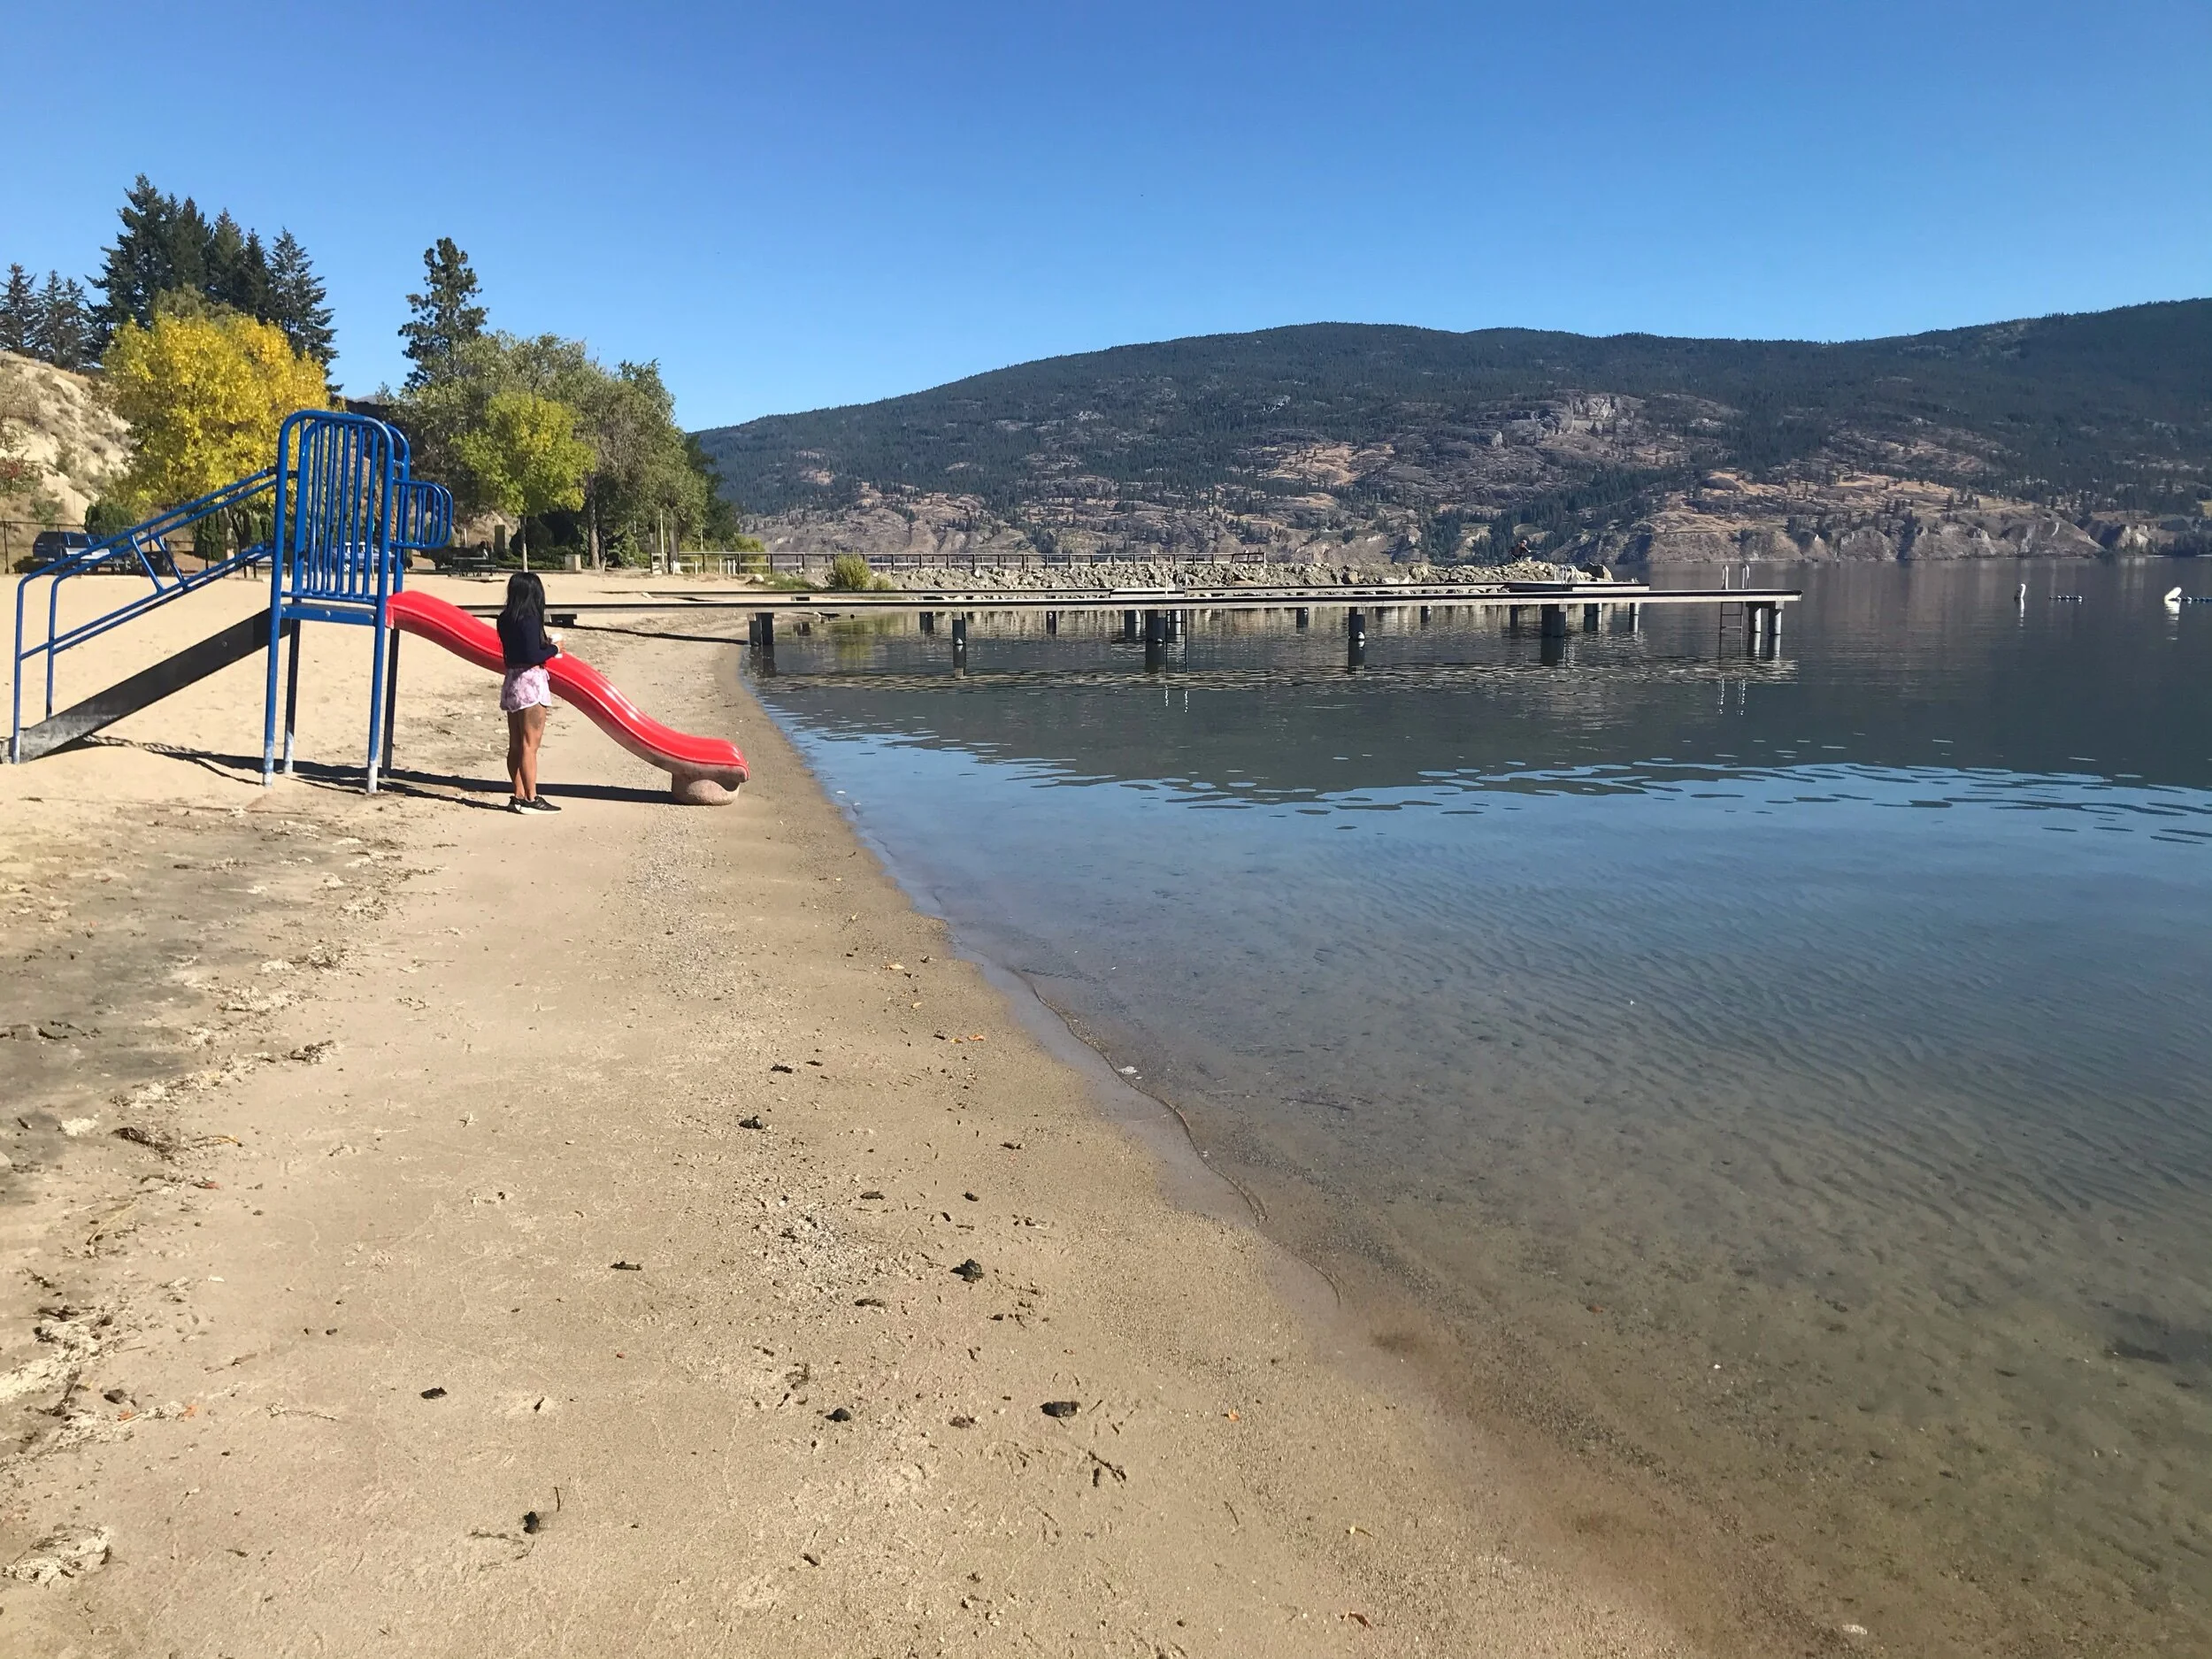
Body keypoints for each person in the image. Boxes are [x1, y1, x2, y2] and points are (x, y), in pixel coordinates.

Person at [495, 571, 563, 814]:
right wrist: (554, 648)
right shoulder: (530, 619)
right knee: (530, 745)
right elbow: (533, 655)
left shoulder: (504, 619)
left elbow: (517, 651)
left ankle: (517, 795)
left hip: (512, 680)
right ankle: (532, 798)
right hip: (531, 681)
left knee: (515, 743)